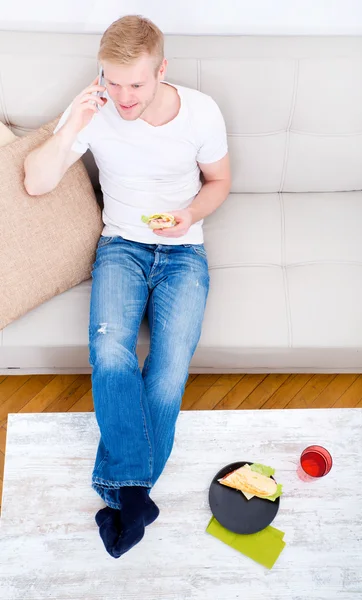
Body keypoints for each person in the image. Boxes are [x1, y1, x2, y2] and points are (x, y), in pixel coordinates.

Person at [23, 14, 231, 559]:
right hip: (120, 248)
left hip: (184, 252)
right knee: (111, 351)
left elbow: (220, 182)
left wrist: (188, 216)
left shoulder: (201, 112)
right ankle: (136, 496)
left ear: (162, 70)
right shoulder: (93, 107)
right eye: (112, 82)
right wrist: (72, 126)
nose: (123, 96)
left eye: (136, 84)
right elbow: (36, 182)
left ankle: (123, 495)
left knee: (169, 363)